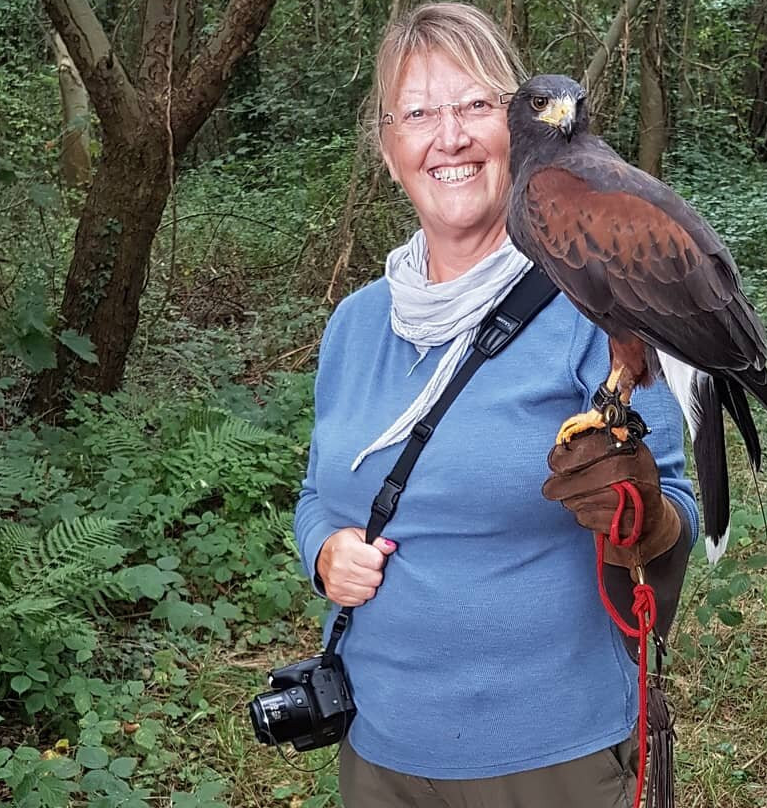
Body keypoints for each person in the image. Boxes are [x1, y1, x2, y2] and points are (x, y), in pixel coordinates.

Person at [293, 4, 698, 806]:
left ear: (519, 128)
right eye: (418, 113)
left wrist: (637, 513)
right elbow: (315, 493)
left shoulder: (593, 294)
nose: (450, 136)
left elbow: (673, 517)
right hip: (381, 755)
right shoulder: (354, 324)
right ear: (388, 149)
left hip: (553, 760)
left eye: (476, 105)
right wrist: (322, 553)